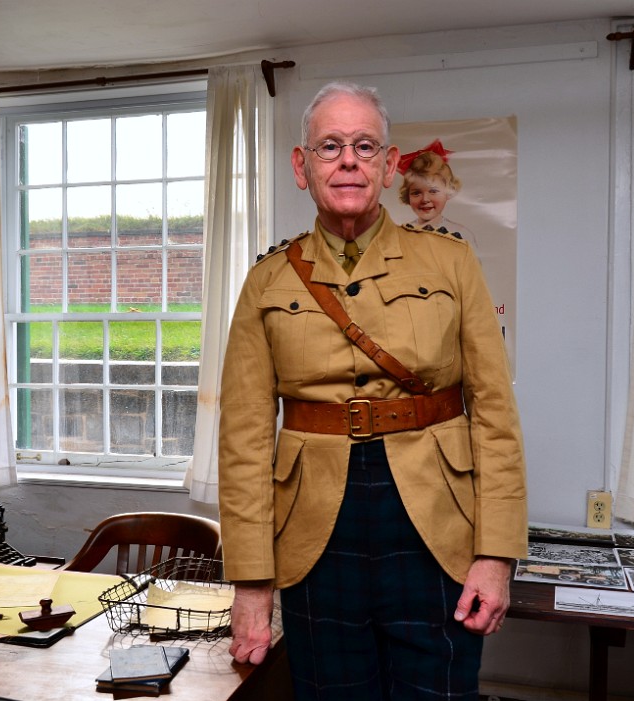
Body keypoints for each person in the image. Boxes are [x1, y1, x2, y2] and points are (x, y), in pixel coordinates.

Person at [217, 81, 527, 701]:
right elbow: (245, 440)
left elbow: (494, 414)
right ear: (302, 167)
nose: (348, 160)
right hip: (312, 534)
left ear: (389, 166)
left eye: (365, 145)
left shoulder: (451, 263)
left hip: (436, 525)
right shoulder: (266, 280)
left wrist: (496, 556)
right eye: (329, 146)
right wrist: (251, 584)